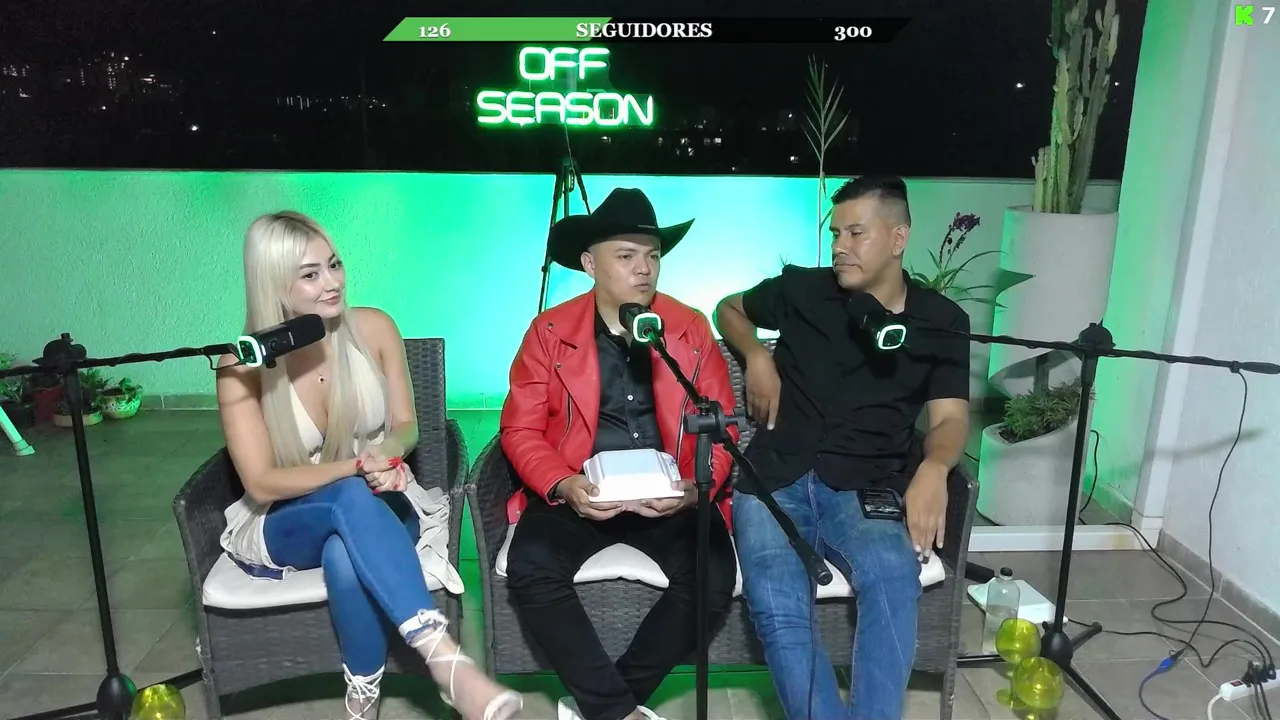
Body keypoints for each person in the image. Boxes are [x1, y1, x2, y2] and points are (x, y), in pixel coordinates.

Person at [215, 211, 522, 720]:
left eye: (334, 264)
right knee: (348, 495)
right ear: (274, 284)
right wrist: (355, 469)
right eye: (310, 274)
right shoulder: (239, 366)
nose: (332, 282)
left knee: (344, 553)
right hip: (286, 518)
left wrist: (387, 455)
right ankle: (445, 661)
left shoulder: (374, 327)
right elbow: (262, 483)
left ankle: (363, 690)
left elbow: (406, 424)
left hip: (382, 497)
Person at [713, 175, 971, 720]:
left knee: (893, 577)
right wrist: (756, 355)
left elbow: (949, 418)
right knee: (777, 599)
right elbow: (728, 308)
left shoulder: (941, 321)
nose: (839, 247)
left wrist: (934, 467)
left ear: (898, 238)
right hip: (774, 478)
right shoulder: (802, 290)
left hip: (866, 485)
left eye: (856, 233)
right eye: (835, 233)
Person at [500, 188, 739, 720]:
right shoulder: (548, 332)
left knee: (713, 576)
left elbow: (720, 427)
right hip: (580, 489)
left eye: (652, 256)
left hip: (669, 495)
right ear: (590, 264)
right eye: (627, 256)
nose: (644, 269)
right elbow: (519, 429)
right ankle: (619, 713)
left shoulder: (689, 328)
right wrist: (563, 484)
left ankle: (606, 707)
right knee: (531, 565)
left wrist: (693, 490)